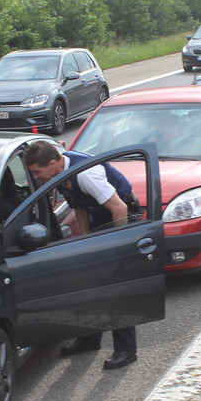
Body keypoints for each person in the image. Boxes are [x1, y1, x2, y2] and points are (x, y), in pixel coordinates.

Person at [22, 140, 143, 370]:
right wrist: (85, 244)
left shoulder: (86, 174)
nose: (37, 177)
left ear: (52, 163)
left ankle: (126, 350)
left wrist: (119, 247)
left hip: (121, 220)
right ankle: (89, 338)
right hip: (100, 217)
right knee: (88, 280)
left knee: (115, 286)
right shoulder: (62, 171)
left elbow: (120, 208)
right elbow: (79, 206)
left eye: (38, 172)